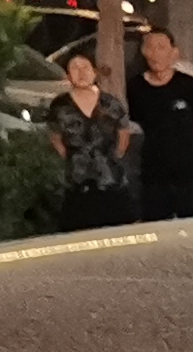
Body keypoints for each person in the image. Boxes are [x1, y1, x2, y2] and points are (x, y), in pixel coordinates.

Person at [46, 46, 138, 232]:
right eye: (75, 68)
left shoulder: (110, 103)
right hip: (78, 179)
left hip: (110, 177)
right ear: (68, 75)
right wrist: (74, 157)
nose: (81, 73)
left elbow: (123, 135)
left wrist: (113, 156)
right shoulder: (60, 105)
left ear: (94, 72)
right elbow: (56, 138)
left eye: (85, 67)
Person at [127, 26, 193, 222]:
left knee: (191, 220)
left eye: (161, 47)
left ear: (174, 52)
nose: (155, 53)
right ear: (143, 52)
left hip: (187, 169)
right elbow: (135, 124)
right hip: (153, 169)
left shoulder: (191, 86)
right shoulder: (135, 87)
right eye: (150, 48)